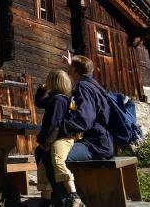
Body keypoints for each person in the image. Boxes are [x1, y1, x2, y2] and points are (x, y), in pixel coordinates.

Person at [41, 54, 114, 206]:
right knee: (45, 153)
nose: (67, 72)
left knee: (49, 156)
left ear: (74, 70)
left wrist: (58, 129)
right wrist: (72, 64)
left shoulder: (84, 87)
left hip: (95, 145)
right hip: (99, 142)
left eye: (69, 69)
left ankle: (68, 201)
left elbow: (83, 120)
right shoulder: (92, 84)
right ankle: (52, 199)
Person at [34, 70, 83, 207]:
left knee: (56, 159)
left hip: (60, 139)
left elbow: (53, 123)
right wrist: (41, 89)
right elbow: (39, 102)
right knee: (43, 164)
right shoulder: (56, 98)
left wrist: (44, 140)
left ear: (53, 82)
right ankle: (46, 199)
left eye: (48, 80)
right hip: (54, 138)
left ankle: (73, 195)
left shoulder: (58, 100)